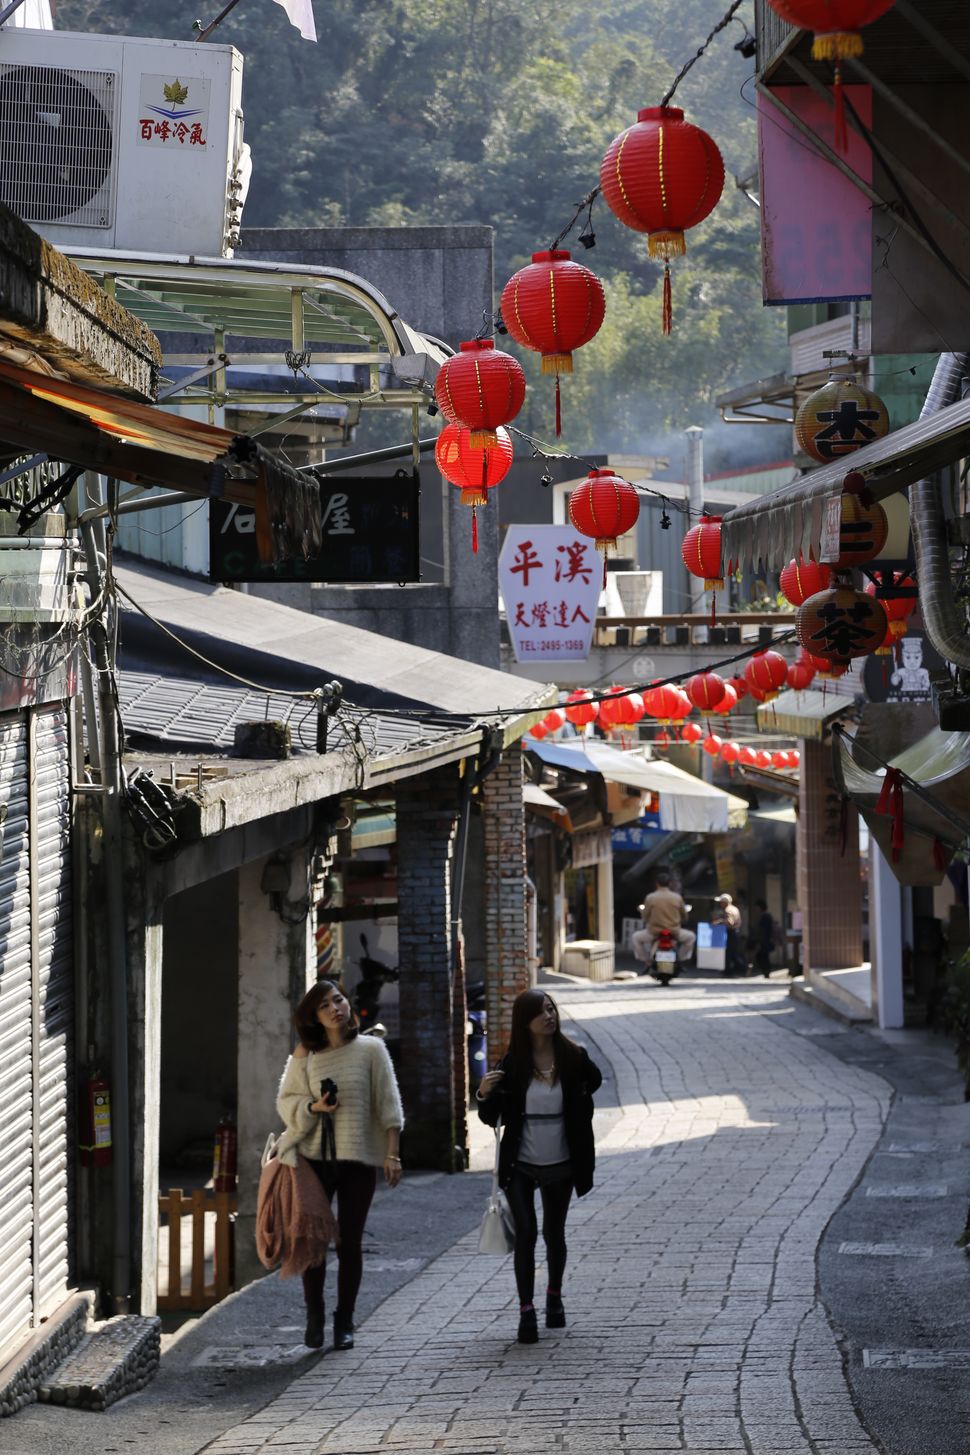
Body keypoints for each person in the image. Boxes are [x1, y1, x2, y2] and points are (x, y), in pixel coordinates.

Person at [277, 978, 404, 1351]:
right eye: (325, 1005)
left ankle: (344, 1320)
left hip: (358, 1160)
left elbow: (389, 1104)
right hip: (313, 1160)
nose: (335, 1008)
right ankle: (314, 1315)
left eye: (338, 1000)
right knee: (313, 1242)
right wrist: (314, 1107)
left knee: (350, 1243)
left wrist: (392, 1153)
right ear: (314, 1017)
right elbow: (287, 1103)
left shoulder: (371, 1049)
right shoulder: (306, 1054)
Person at [476, 988, 602, 1344]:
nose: (549, 1016)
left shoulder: (573, 1056)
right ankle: (526, 1310)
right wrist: (483, 1093)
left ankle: (555, 1297)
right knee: (527, 1233)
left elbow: (593, 1083)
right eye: (540, 1012)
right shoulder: (513, 1063)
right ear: (525, 1022)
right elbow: (491, 1116)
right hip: (521, 1161)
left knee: (554, 1232)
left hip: (561, 1160)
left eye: (551, 1009)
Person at [631, 869, 696, 969]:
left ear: (657, 883)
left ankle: (647, 961)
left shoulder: (650, 897)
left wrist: (646, 919)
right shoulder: (677, 897)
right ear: (670, 883)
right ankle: (679, 959)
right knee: (691, 937)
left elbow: (645, 915)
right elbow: (684, 915)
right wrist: (682, 920)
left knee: (636, 937)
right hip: (674, 932)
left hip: (653, 932)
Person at [712, 892, 745, 976]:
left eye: (721, 902)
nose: (720, 904)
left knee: (729, 953)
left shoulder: (728, 910)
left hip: (731, 933)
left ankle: (734, 970)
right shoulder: (734, 908)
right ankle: (734, 970)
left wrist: (718, 922)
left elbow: (730, 922)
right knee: (732, 953)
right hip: (735, 933)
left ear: (725, 902)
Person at [753, 899, 776, 978]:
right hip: (765, 940)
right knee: (762, 956)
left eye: (757, 907)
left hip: (765, 940)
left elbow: (764, 931)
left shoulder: (765, 916)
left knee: (763, 957)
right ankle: (766, 972)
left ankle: (767, 972)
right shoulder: (765, 916)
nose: (756, 909)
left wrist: (760, 942)